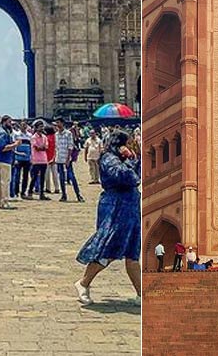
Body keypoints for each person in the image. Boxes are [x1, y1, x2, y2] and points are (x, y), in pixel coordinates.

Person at [75, 131, 141, 305]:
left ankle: (141, 294)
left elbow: (138, 176)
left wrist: (135, 158)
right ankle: (83, 283)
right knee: (109, 249)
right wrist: (130, 160)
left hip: (131, 208)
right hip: (115, 207)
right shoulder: (109, 159)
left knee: (133, 254)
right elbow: (126, 176)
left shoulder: (124, 159)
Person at [0, 117, 19, 209]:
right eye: (9, 122)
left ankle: (0, 201)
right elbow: (3, 147)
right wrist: (16, 144)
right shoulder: (3, 133)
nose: (11, 124)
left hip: (3, 160)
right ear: (4, 122)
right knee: (5, 182)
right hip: (4, 160)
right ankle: (4, 201)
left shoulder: (2, 132)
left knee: (1, 182)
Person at [56, 123, 83, 202]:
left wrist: (68, 159)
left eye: (58, 123)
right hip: (59, 158)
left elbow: (70, 147)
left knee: (72, 177)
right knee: (61, 178)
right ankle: (64, 195)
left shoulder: (68, 133)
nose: (57, 125)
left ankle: (78, 195)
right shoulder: (56, 134)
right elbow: (56, 147)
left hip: (67, 158)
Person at [29, 121, 50, 200]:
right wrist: (41, 147)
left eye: (42, 127)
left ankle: (41, 194)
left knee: (42, 178)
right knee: (34, 177)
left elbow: (46, 147)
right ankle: (30, 192)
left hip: (43, 159)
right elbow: (37, 148)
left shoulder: (44, 137)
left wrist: (41, 147)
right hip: (36, 160)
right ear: (36, 128)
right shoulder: (34, 137)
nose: (42, 128)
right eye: (40, 127)